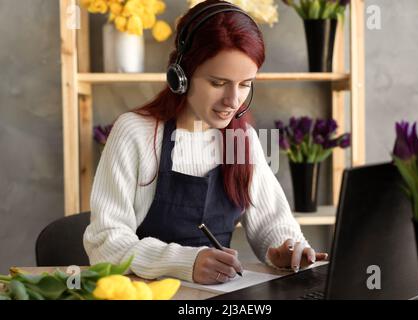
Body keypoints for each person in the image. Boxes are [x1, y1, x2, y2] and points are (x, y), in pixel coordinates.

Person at [83, 0, 327, 285]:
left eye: (245, 84)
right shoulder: (135, 133)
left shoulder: (241, 139)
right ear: (181, 76)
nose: (232, 101)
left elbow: (272, 223)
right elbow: (105, 246)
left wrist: (286, 250)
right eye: (217, 83)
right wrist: (185, 262)